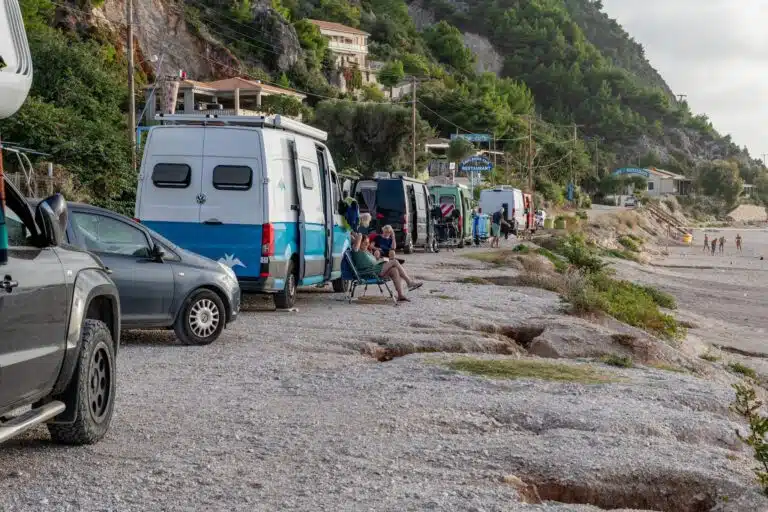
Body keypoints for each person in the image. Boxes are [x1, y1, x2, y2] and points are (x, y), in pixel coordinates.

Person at [350, 232, 422, 302]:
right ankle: (409, 282)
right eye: (365, 242)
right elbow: (359, 236)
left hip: (376, 269)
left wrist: (379, 259)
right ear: (359, 242)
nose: (367, 244)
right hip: (370, 272)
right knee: (394, 261)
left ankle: (400, 295)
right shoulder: (356, 250)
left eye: (368, 242)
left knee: (394, 270)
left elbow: (374, 260)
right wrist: (356, 233)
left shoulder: (365, 251)